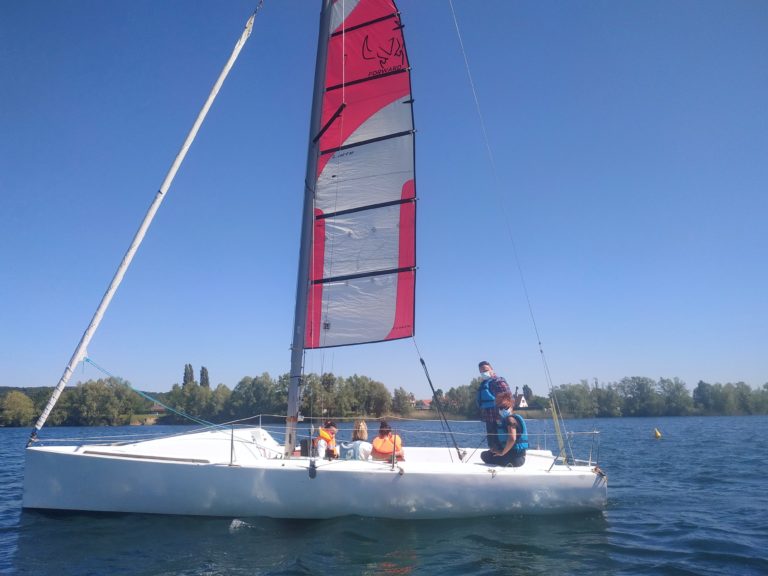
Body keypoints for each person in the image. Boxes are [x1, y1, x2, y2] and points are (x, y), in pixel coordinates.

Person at [480, 391, 528, 467]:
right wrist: (497, 449)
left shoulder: (510, 420)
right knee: (488, 454)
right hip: (518, 457)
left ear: (511, 407)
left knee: (484, 455)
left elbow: (512, 438)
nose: (502, 410)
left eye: (505, 407)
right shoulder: (508, 420)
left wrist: (502, 453)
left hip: (515, 459)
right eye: (500, 407)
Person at [476, 361, 512, 450]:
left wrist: (506, 414)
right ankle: (494, 455)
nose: (483, 373)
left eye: (485, 370)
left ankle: (505, 457)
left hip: (500, 419)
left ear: (492, 369)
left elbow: (509, 398)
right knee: (492, 444)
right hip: (489, 419)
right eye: (481, 371)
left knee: (501, 442)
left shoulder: (498, 381)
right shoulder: (484, 384)